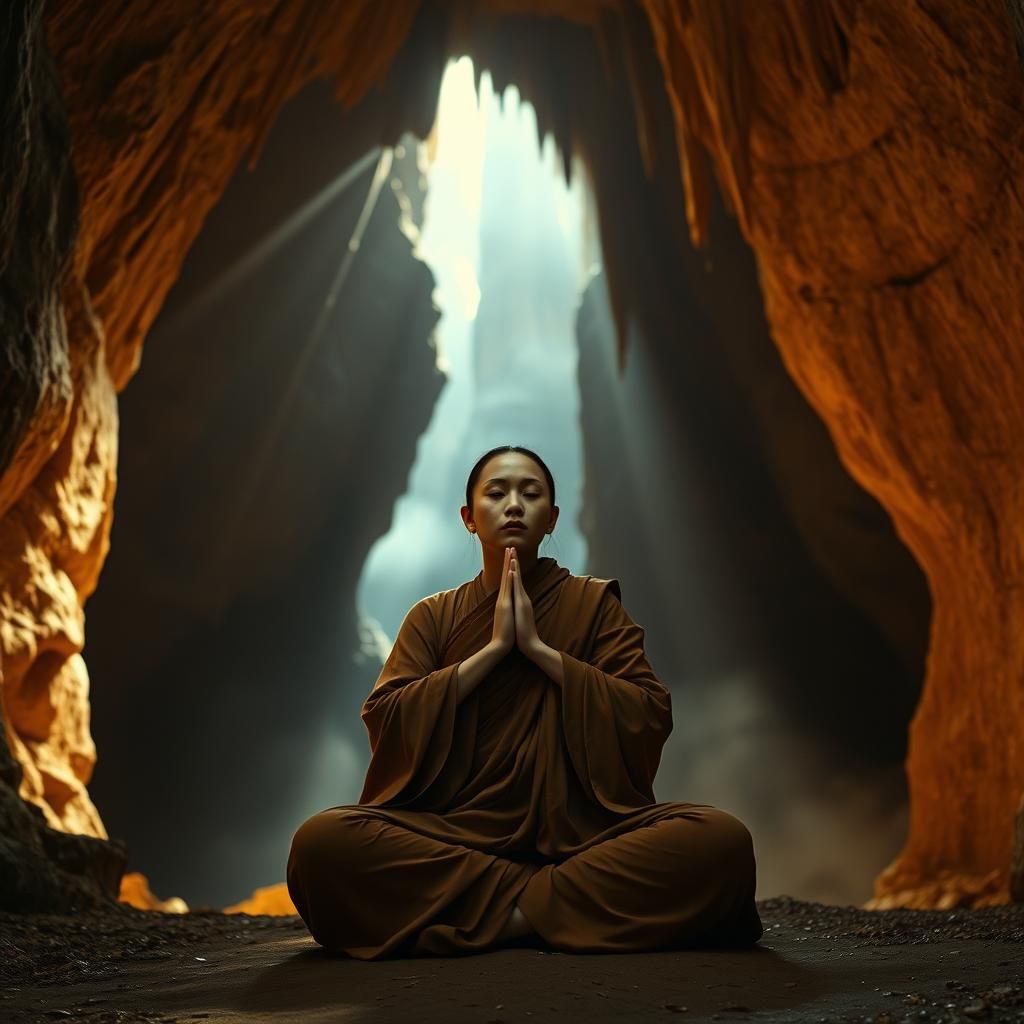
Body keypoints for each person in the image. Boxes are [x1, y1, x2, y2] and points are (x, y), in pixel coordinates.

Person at [286, 445, 763, 959]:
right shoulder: (433, 617)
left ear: (551, 518)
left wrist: (540, 652)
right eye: (497, 493)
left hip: (582, 838)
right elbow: (387, 718)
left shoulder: (592, 606)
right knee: (321, 846)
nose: (514, 504)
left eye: (530, 494)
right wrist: (490, 654)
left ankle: (502, 914)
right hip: (456, 835)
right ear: (469, 518)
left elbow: (646, 712)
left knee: (722, 841)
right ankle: (551, 910)